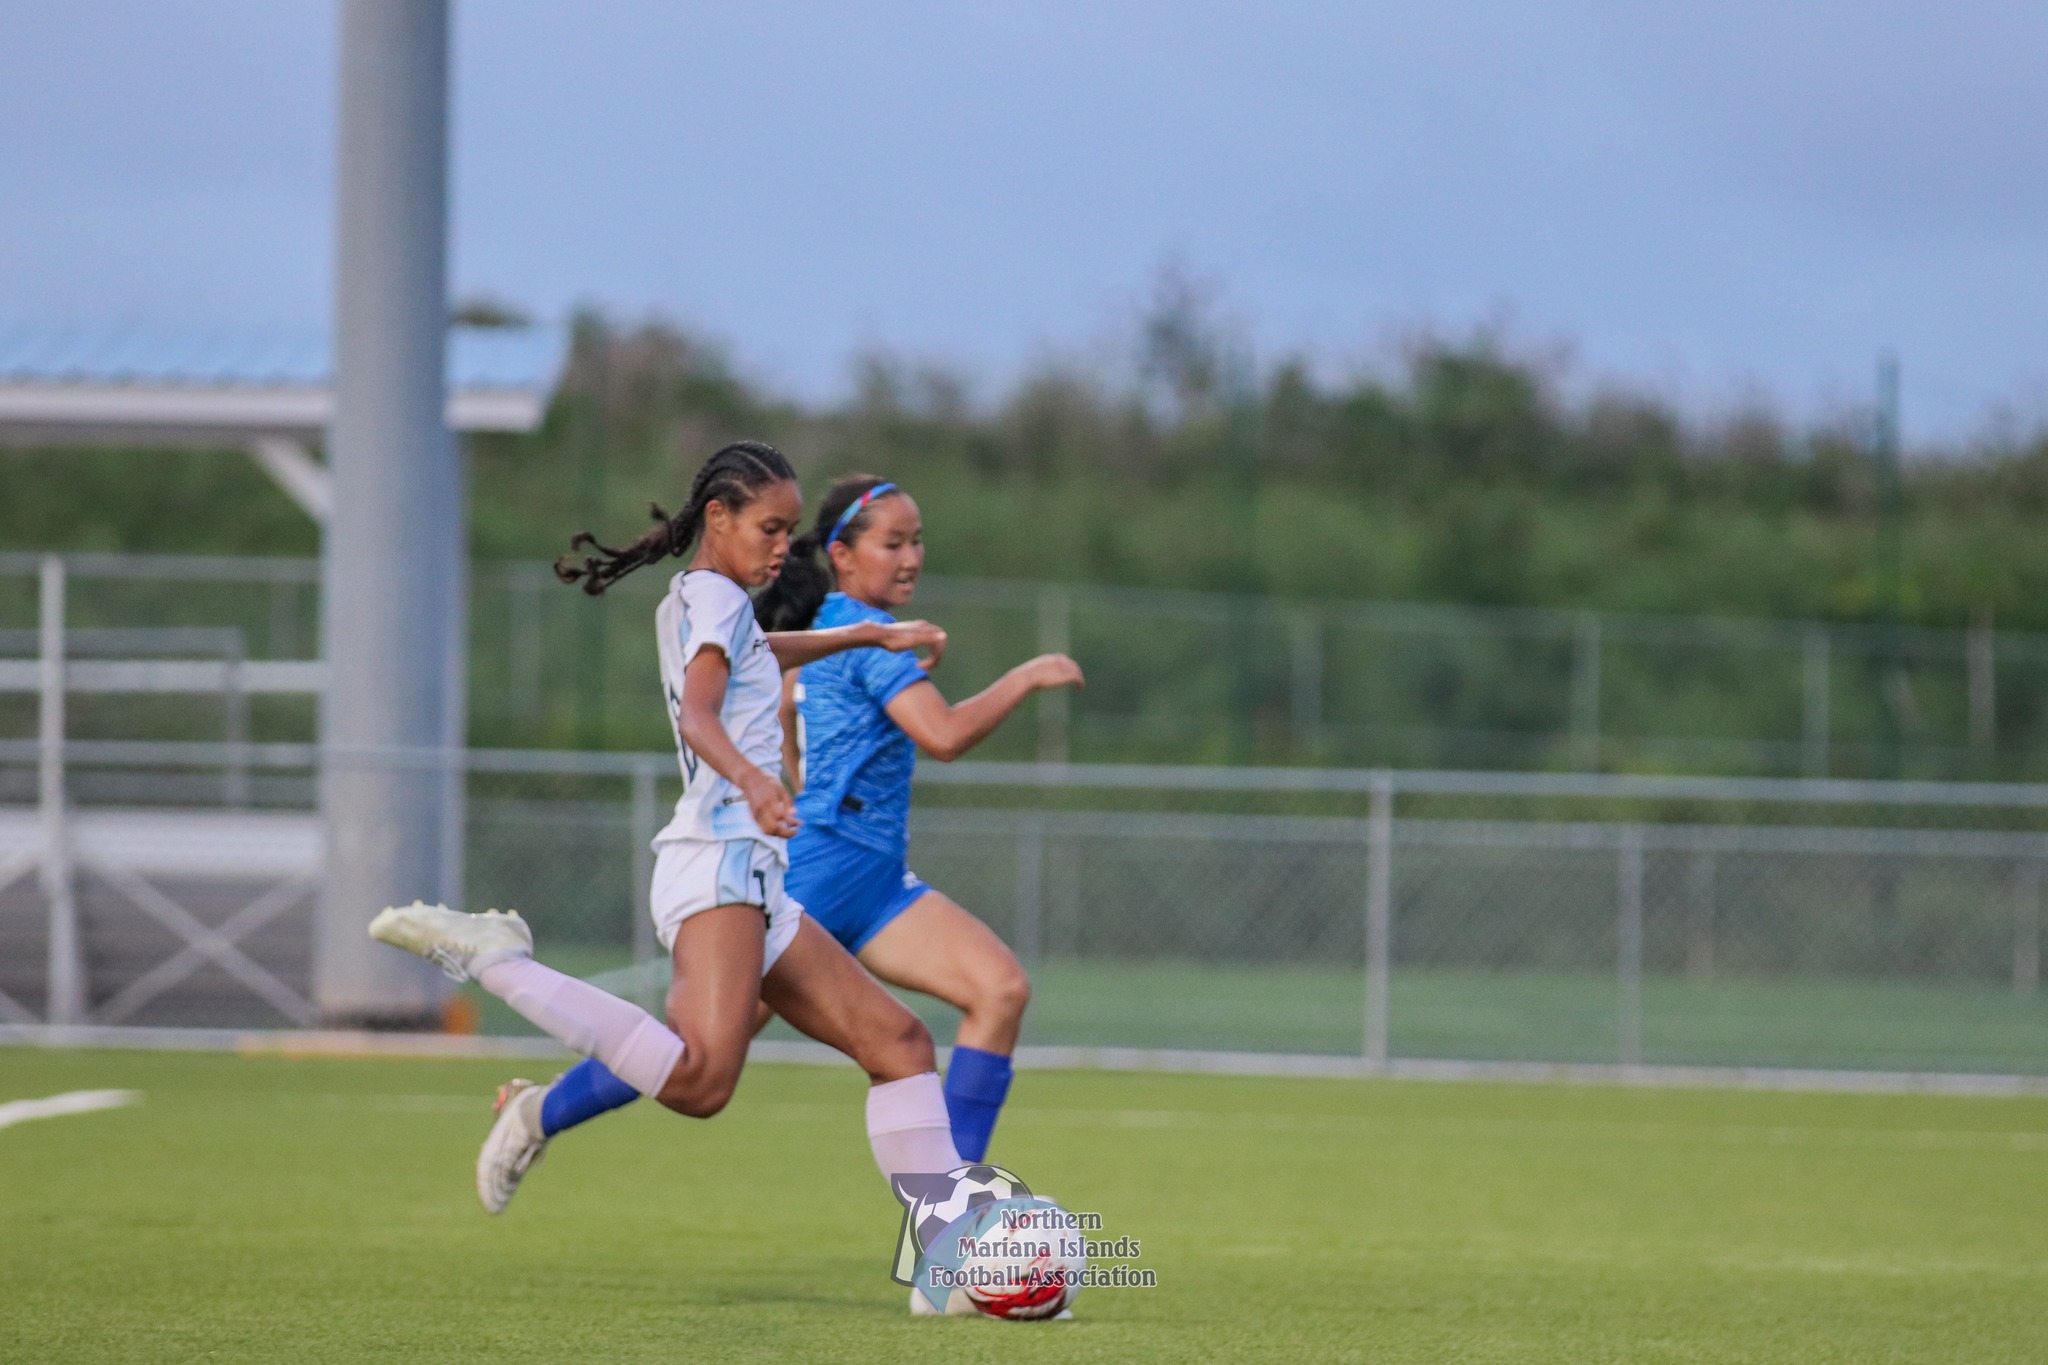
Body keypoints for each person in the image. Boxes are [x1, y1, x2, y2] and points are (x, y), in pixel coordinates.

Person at [367, 440, 964, 1220]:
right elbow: (700, 710)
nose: (785, 548)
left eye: (791, 531)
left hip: (749, 872)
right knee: (701, 1081)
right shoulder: (717, 602)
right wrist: (755, 780)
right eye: (770, 529)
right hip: (720, 861)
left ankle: (953, 1253)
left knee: (901, 1046)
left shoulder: (705, 599)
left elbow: (756, 653)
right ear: (718, 516)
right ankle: (495, 959)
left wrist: (862, 635)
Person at [508, 474, 1082, 1173]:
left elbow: (780, 703)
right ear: (842, 555)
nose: (910, 557)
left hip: (875, 880)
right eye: (893, 542)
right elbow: (945, 734)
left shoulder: (842, 632)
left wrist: (794, 776)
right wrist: (1027, 675)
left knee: (997, 989)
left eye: (917, 541)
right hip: (819, 874)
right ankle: (537, 1109)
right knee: (697, 1055)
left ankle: (949, 1232)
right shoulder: (865, 643)